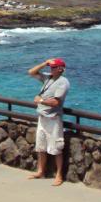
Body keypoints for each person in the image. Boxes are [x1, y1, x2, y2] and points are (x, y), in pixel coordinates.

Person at [27, 57, 70, 186]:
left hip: (53, 119)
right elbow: (31, 72)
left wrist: (40, 101)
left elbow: (56, 102)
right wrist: (44, 63)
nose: (50, 69)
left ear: (60, 69)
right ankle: (40, 171)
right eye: (50, 67)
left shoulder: (63, 82)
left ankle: (59, 175)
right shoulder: (48, 78)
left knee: (56, 148)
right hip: (42, 117)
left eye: (53, 67)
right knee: (41, 147)